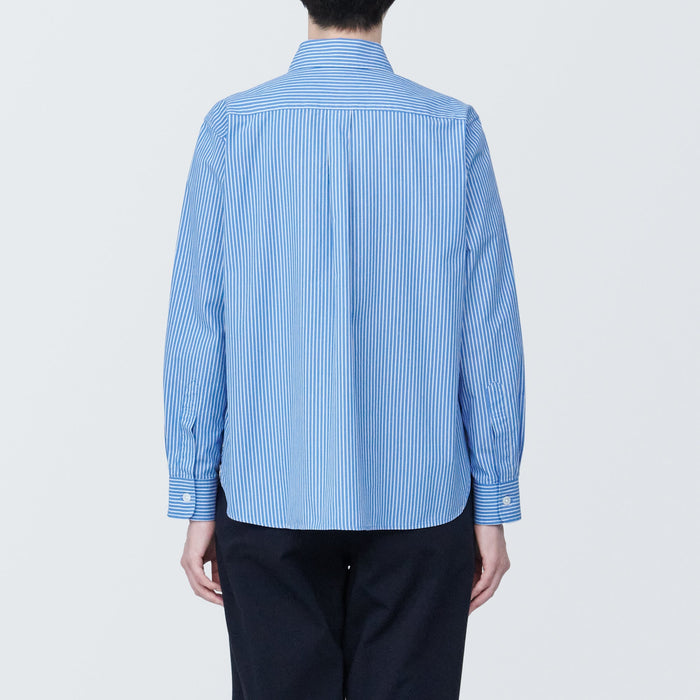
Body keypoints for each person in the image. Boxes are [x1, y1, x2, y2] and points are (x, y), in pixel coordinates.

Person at [162, 1, 526, 697]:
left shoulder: (234, 127)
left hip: (267, 490)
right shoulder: (451, 128)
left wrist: (196, 492)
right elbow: (487, 329)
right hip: (423, 493)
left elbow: (199, 323)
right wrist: (494, 499)